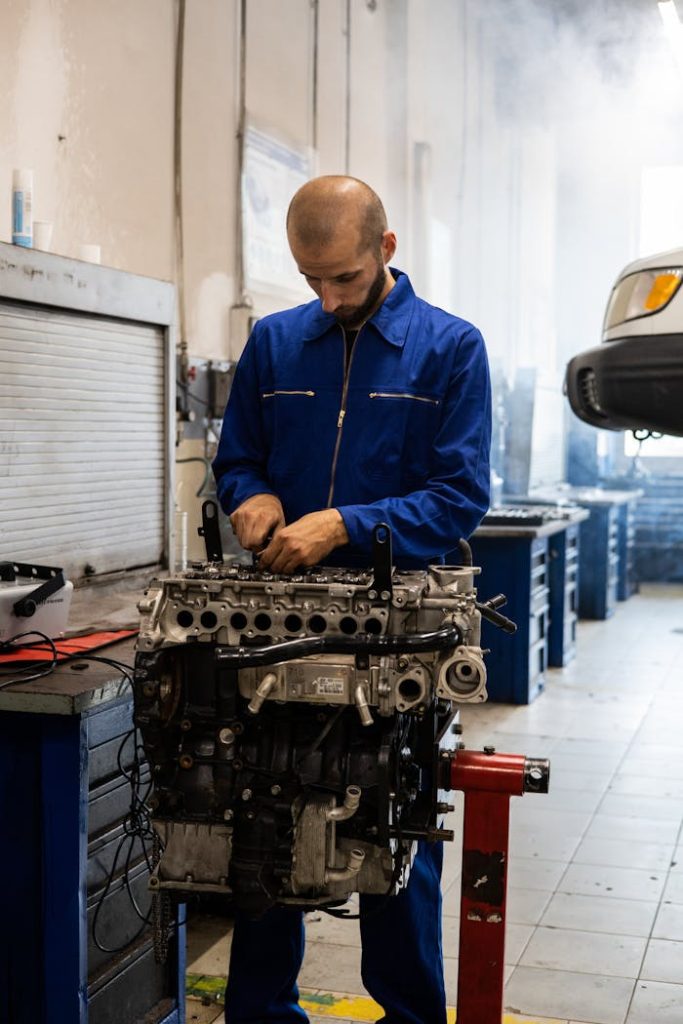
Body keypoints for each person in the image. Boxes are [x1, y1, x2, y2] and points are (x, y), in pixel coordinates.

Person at [212, 175, 491, 1024]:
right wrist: (248, 497)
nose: (328, 298)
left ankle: (408, 1016)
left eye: (344, 278)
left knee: (393, 839)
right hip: (280, 631)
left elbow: (461, 495)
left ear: (386, 250)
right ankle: (261, 1015)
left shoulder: (449, 349)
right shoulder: (272, 343)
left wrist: (342, 523)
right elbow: (237, 460)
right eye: (311, 281)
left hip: (397, 632)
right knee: (265, 825)